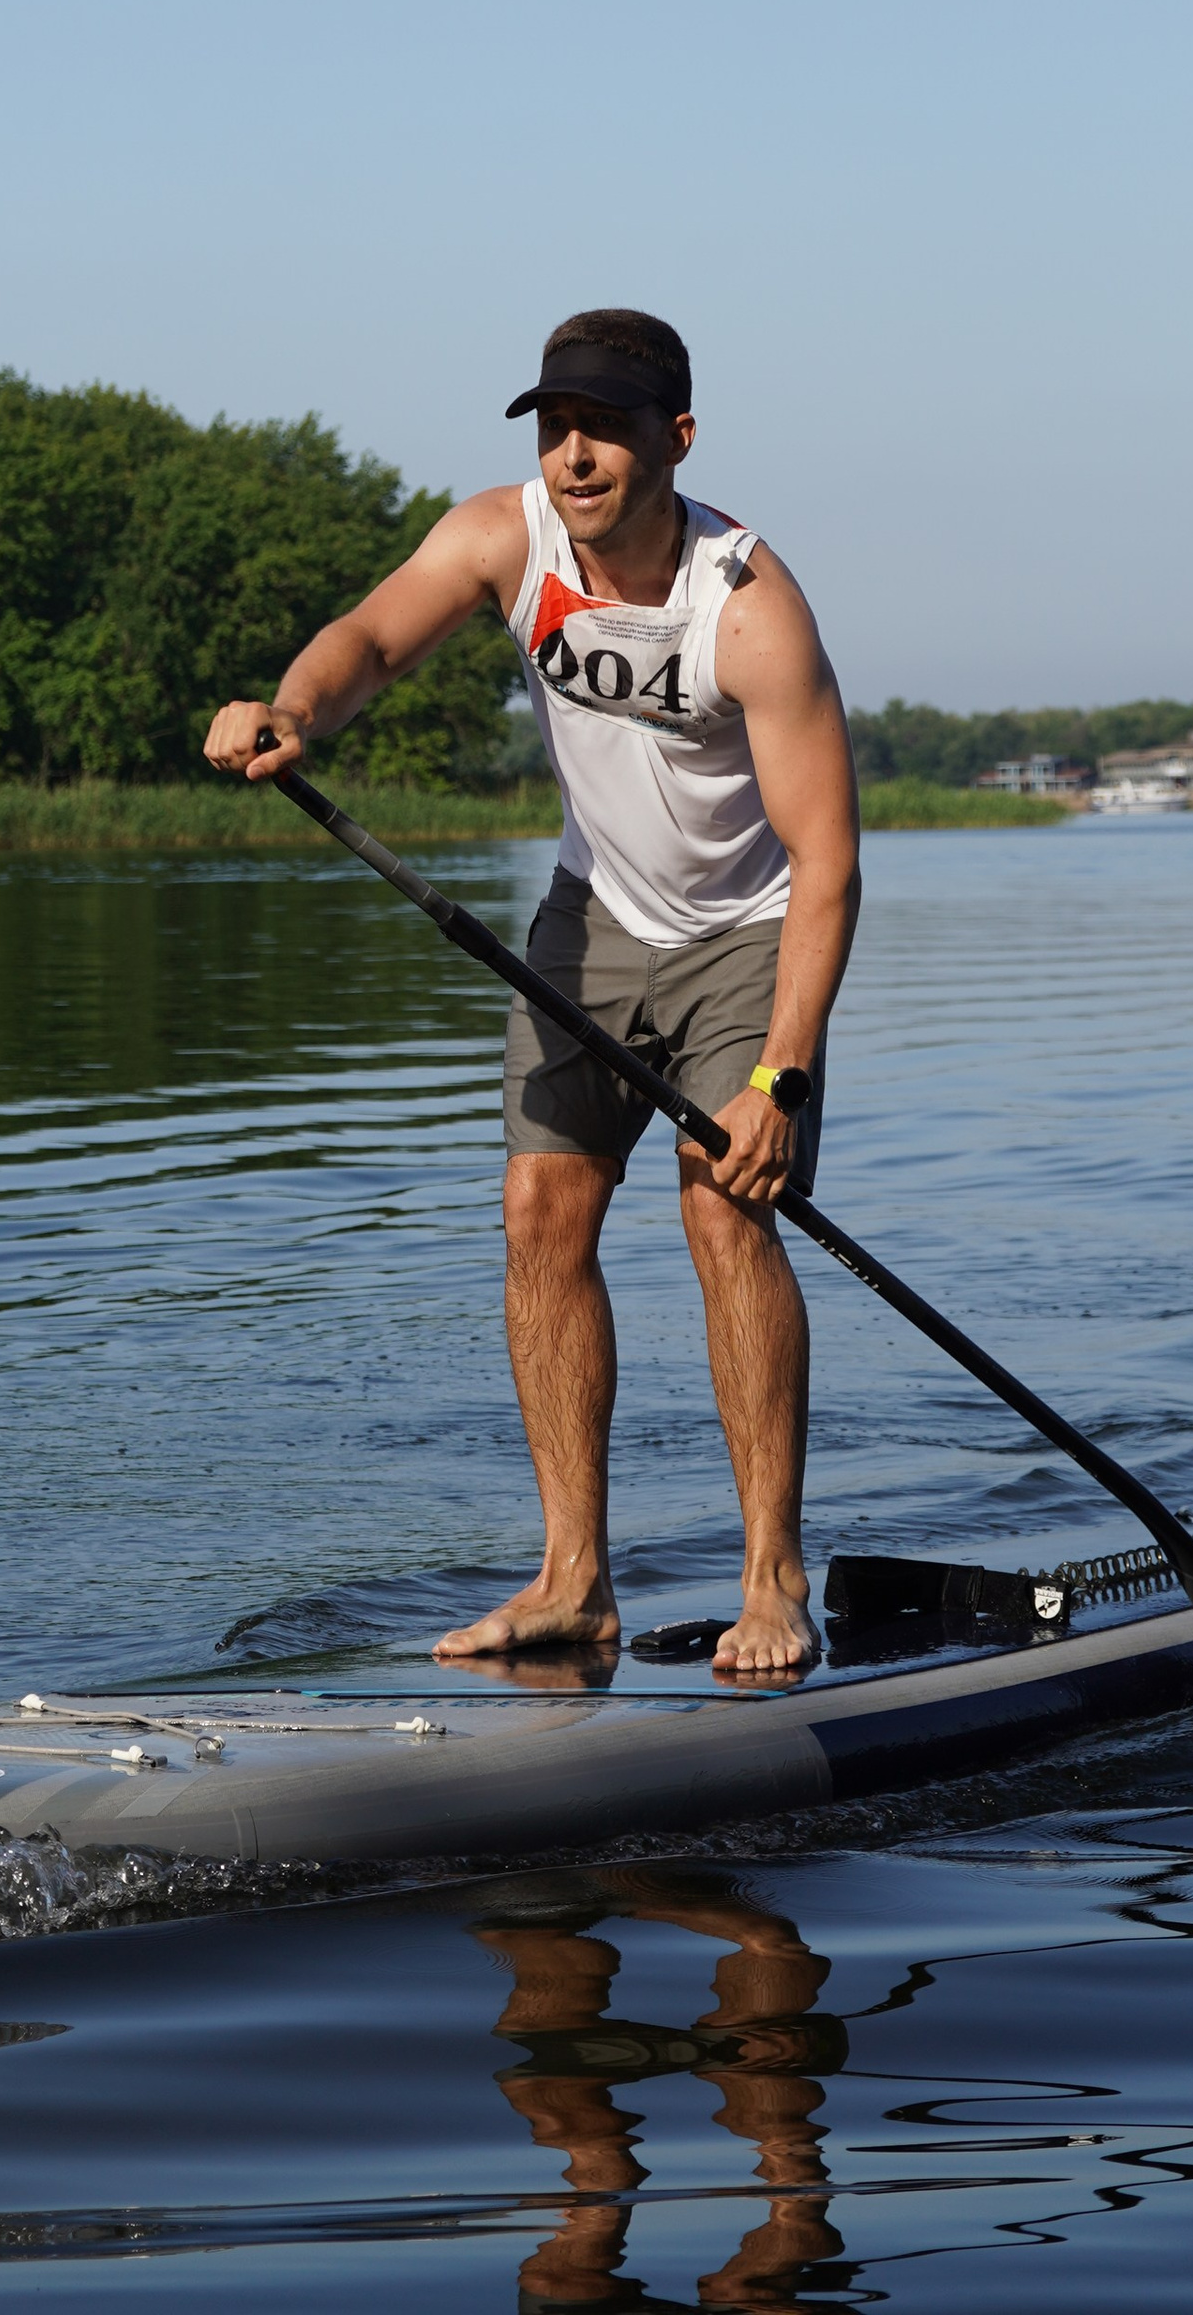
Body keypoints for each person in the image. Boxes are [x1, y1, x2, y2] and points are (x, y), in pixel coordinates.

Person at [206, 308, 859, 1678]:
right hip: (593, 919)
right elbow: (370, 642)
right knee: (538, 1216)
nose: (575, 457)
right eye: (557, 428)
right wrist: (292, 710)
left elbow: (829, 863)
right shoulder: (502, 541)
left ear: (673, 442)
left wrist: (778, 1083)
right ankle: (573, 1581)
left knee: (723, 1216)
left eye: (607, 431)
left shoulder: (746, 606)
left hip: (748, 932)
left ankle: (772, 1580)